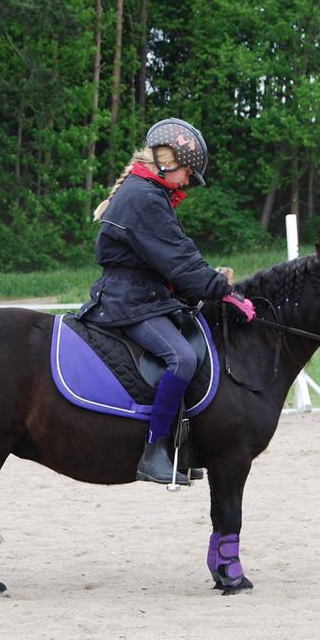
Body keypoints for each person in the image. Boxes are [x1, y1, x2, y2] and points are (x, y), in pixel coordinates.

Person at [77, 118, 251, 484]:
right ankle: (153, 451)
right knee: (182, 358)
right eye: (188, 172)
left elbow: (166, 262)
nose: (188, 181)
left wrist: (207, 289)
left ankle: (183, 445)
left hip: (148, 296)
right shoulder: (142, 197)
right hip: (129, 300)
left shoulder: (148, 193)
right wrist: (221, 289)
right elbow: (178, 258)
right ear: (167, 159)